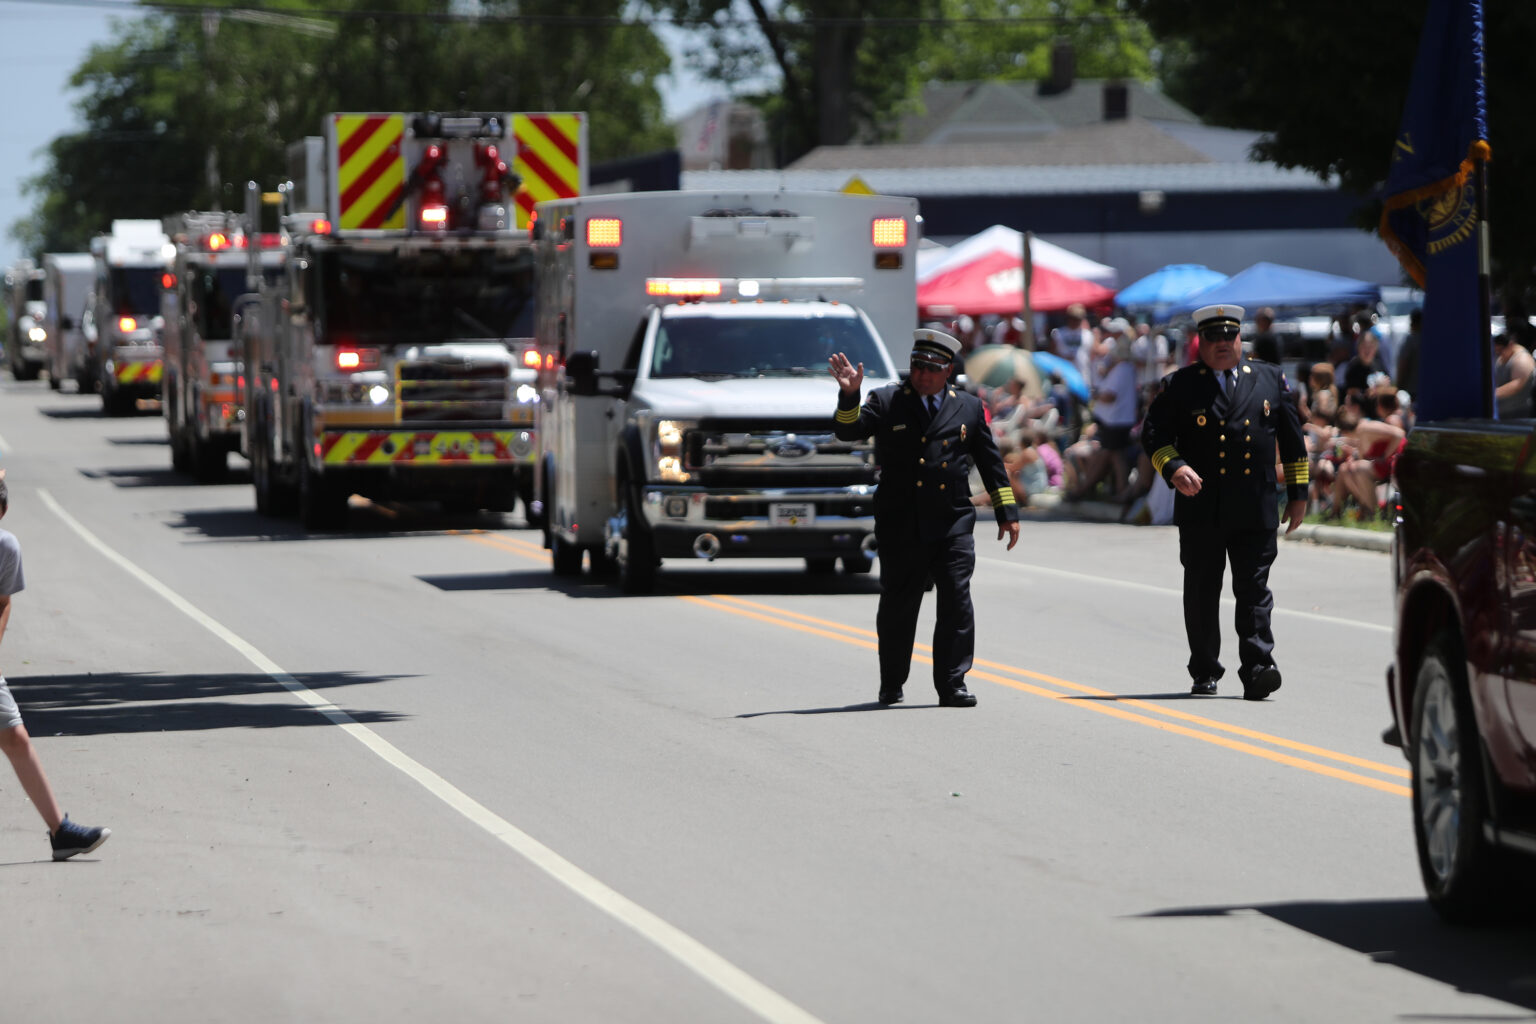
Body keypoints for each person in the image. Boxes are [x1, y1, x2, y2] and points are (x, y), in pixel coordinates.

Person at [830, 329, 1020, 708]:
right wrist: (849, 394)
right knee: (900, 606)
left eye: (932, 368)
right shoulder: (886, 401)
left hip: (951, 520)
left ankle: (952, 683)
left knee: (956, 599)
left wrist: (1007, 512)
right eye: (917, 366)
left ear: (948, 370)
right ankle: (892, 681)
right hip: (902, 522)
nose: (922, 375)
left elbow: (989, 460)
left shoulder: (967, 406)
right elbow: (847, 430)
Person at [1140, 304, 1309, 700]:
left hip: (1255, 504)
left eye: (1228, 337)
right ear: (1201, 343)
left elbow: (1293, 440)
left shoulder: (1269, 378)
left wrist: (1299, 496)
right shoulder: (1181, 384)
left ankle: (1258, 667)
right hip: (1203, 507)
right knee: (1202, 591)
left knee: (1254, 591)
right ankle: (1204, 669)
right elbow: (1154, 436)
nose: (1221, 344)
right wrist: (1174, 467)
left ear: (1240, 339)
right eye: (1212, 338)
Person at [0, 472, 110, 859]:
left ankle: (60, 833)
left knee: (15, 738)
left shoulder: (6, 548)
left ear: (4, 512)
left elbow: (2, 601)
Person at [1494, 332, 1536, 419]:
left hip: (1518, 413)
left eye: (1501, 350)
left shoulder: (1522, 360)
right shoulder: (1504, 355)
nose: (1499, 353)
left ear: (1510, 345)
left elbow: (1516, 386)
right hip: (1502, 412)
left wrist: (1490, 395)